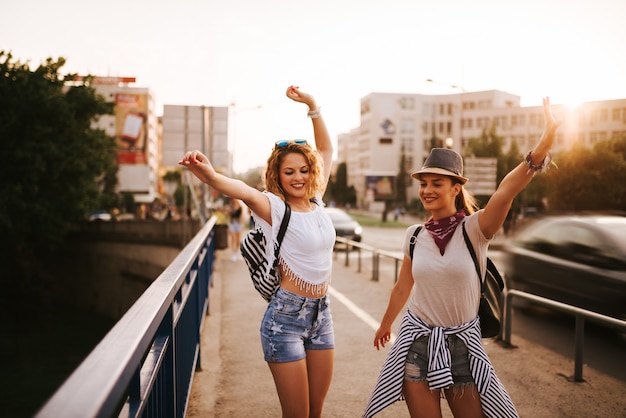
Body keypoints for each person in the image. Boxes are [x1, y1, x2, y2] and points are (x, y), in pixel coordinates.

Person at [363, 97, 561, 418]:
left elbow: (507, 190)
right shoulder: (414, 235)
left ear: (456, 188)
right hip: (418, 342)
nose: (427, 190)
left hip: (462, 347)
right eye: (424, 184)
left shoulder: (476, 229)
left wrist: (543, 144)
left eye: (436, 183)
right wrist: (385, 325)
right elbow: (403, 288)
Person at [179, 86, 335, 418]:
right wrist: (209, 175)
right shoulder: (274, 208)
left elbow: (325, 148)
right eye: (289, 171)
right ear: (277, 175)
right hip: (285, 321)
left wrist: (312, 106)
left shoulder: (317, 199)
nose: (298, 177)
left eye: (304, 170)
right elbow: (243, 191)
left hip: (322, 315)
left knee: (315, 414)